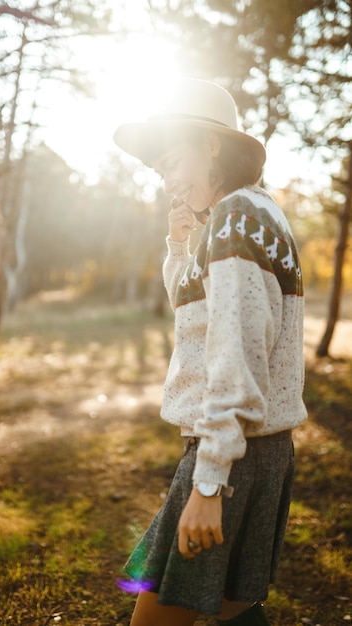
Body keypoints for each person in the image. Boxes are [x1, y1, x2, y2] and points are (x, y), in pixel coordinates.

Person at [113, 78, 307, 626]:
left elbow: (236, 354)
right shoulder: (253, 214)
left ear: (214, 145)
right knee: (232, 606)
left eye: (175, 162)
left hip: (232, 452)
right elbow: (195, 311)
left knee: (154, 617)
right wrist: (179, 245)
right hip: (258, 448)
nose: (170, 182)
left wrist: (209, 479)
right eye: (161, 172)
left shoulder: (235, 220)